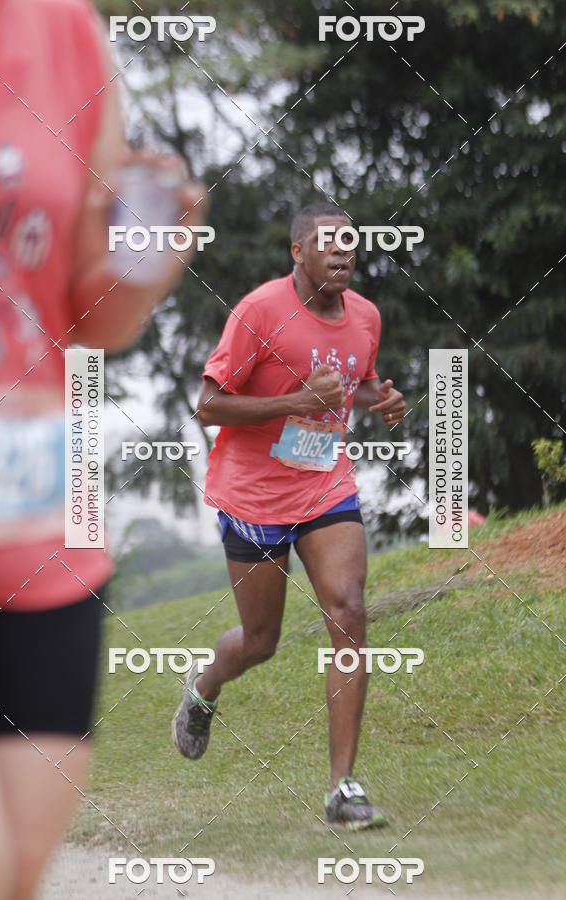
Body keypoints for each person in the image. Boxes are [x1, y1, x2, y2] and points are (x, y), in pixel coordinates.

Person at [0, 0, 207, 896]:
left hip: (38, 538)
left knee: (14, 876)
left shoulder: (66, 31)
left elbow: (85, 311)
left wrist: (145, 263)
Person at [172, 202, 406, 829]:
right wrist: (296, 401)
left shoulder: (366, 317)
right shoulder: (259, 311)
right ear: (298, 252)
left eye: (350, 242)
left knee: (349, 611)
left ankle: (342, 789)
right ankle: (204, 687)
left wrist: (380, 398)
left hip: (326, 485)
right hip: (254, 496)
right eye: (328, 242)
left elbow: (356, 380)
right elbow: (209, 405)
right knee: (260, 642)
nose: (343, 252)